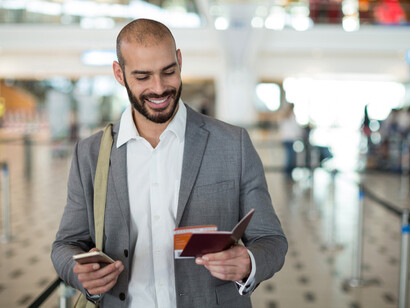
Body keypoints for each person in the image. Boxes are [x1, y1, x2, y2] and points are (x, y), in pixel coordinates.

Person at [51, 18, 287, 308]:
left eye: (168, 72)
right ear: (119, 73)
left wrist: (248, 262)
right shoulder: (89, 154)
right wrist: (80, 275)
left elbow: (271, 239)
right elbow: (65, 245)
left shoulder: (233, 143)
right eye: (142, 76)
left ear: (179, 60)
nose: (159, 88)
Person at [278, 103, 303, 178]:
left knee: (288, 156)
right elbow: (296, 129)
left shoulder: (284, 116)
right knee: (290, 157)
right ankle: (288, 174)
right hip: (290, 139)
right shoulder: (292, 116)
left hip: (286, 139)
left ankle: (288, 173)